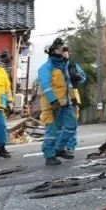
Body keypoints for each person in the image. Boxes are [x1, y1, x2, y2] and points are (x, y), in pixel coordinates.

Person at [38, 38, 77, 166]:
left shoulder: (64, 65)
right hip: (51, 105)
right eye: (59, 48)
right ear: (52, 52)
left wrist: (73, 97)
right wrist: (53, 100)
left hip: (65, 103)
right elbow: (45, 85)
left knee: (71, 125)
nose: (62, 50)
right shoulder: (46, 68)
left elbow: (68, 84)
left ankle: (59, 149)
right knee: (51, 131)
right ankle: (49, 156)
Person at [60, 46, 86, 156]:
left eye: (66, 51)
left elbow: (83, 77)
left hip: (73, 93)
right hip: (61, 94)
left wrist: (77, 77)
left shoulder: (73, 65)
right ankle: (61, 146)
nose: (65, 53)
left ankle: (70, 146)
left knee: (73, 120)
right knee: (61, 122)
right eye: (63, 52)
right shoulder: (57, 66)